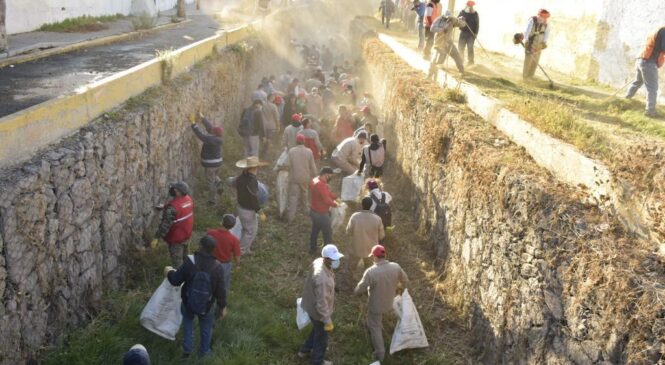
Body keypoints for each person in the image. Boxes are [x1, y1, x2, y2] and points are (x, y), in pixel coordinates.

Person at [165, 236, 227, 358]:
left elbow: (175, 281)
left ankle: (187, 350)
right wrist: (222, 306)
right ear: (213, 250)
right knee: (206, 328)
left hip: (188, 302)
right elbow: (221, 291)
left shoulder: (190, 261)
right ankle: (204, 353)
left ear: (200, 246)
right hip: (207, 305)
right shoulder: (218, 267)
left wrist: (169, 272)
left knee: (188, 324)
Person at [354, 245, 409, 363]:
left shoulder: (371, 272)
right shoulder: (396, 267)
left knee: (374, 326)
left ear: (374, 257)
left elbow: (360, 288)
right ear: (385, 255)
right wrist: (400, 289)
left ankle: (380, 353)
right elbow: (405, 280)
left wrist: (355, 292)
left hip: (376, 306)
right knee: (380, 320)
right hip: (390, 302)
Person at [297, 244, 344, 365]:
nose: (337, 261)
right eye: (334, 259)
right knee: (322, 339)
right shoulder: (322, 279)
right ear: (326, 259)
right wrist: (327, 320)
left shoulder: (319, 261)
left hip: (311, 305)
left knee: (317, 331)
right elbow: (321, 303)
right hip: (319, 312)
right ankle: (317, 361)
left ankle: (304, 351)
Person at [626, 27, 665, 118]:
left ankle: (627, 98)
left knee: (637, 81)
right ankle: (650, 111)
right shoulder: (664, 31)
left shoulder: (659, 30)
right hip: (648, 62)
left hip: (642, 59)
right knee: (652, 88)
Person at [154, 182, 194, 267]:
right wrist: (166, 207)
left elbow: (165, 226)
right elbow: (180, 208)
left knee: (177, 264)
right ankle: (189, 275)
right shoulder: (189, 199)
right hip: (187, 235)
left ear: (179, 192)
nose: (173, 190)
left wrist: (157, 237)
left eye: (175, 189)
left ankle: (180, 279)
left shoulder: (172, 208)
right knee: (186, 258)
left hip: (176, 239)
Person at [233, 156, 268, 255]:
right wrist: (260, 212)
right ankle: (240, 251)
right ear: (254, 168)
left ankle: (246, 248)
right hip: (247, 210)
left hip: (241, 207)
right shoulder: (251, 181)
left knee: (247, 229)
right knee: (250, 232)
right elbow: (253, 198)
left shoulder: (241, 176)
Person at [346, 197, 385, 276]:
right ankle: (368, 284)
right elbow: (381, 236)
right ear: (371, 206)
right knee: (369, 270)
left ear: (361, 205)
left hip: (356, 247)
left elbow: (348, 232)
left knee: (350, 269)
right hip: (371, 250)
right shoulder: (377, 219)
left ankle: (349, 283)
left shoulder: (354, 216)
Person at [190, 113, 224, 206]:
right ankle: (220, 184)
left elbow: (200, 135)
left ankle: (212, 200)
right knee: (214, 176)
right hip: (218, 163)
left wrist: (193, 124)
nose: (211, 129)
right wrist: (202, 117)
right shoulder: (217, 138)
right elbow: (210, 127)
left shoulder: (210, 139)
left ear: (213, 133)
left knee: (210, 182)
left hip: (210, 164)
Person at [208, 214, 241, 297]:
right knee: (223, 285)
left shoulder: (211, 233)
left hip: (210, 262)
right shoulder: (234, 240)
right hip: (224, 265)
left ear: (222, 222)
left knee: (208, 282)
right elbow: (237, 255)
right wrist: (237, 265)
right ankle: (221, 305)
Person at [287, 134, 318, 221]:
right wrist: (315, 175)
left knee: (293, 197)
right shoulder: (309, 151)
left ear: (296, 141)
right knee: (305, 195)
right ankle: (307, 213)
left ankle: (291, 217)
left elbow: (288, 164)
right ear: (304, 141)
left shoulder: (291, 151)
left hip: (294, 178)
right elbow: (313, 166)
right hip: (305, 178)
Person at [309, 168, 339, 254]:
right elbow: (326, 200)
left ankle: (312, 249)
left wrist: (335, 196)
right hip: (321, 213)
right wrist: (336, 204)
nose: (330, 178)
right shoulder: (321, 185)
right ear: (326, 174)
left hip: (313, 211)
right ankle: (328, 254)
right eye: (330, 176)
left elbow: (327, 193)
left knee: (315, 231)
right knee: (327, 235)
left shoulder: (315, 180)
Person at [522, 9, 551, 80]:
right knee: (528, 60)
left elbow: (546, 34)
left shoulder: (547, 24)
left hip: (539, 43)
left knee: (536, 60)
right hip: (531, 42)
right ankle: (525, 77)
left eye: (545, 18)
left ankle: (531, 76)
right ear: (539, 15)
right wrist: (526, 40)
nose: (543, 19)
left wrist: (544, 43)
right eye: (542, 17)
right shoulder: (532, 21)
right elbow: (527, 31)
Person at [458, 1, 479, 66]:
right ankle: (460, 61)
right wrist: (461, 18)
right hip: (463, 33)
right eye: (469, 5)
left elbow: (477, 24)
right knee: (461, 47)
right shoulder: (462, 12)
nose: (470, 7)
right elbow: (457, 20)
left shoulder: (475, 13)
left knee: (470, 48)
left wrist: (476, 33)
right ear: (467, 5)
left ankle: (470, 62)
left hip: (471, 34)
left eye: (471, 6)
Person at [262, 93, 281, 159]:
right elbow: (276, 117)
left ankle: (262, 154)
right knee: (269, 141)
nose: (274, 98)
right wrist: (278, 126)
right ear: (271, 98)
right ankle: (266, 156)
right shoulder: (273, 106)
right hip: (271, 126)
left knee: (264, 140)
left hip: (263, 125)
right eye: (273, 97)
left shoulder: (262, 105)